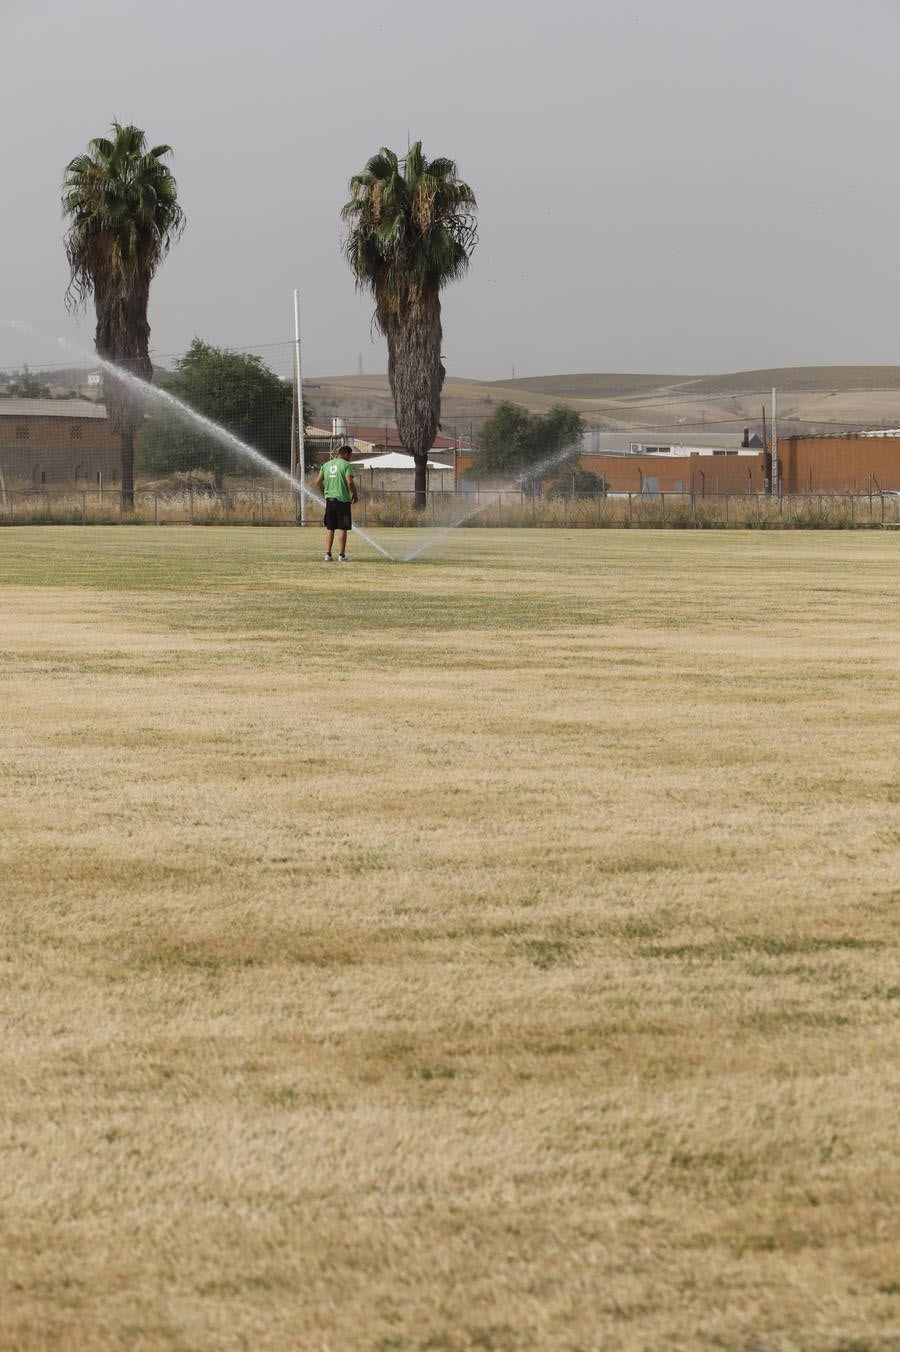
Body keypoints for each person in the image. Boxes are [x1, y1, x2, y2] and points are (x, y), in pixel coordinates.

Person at [315, 443, 358, 562]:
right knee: (343, 528)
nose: (350, 459)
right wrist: (355, 494)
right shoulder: (346, 465)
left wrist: (324, 492)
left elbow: (318, 481)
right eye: (350, 456)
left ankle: (328, 554)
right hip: (342, 501)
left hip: (330, 501)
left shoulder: (326, 465)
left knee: (330, 528)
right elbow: (350, 482)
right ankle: (342, 555)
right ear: (346, 454)